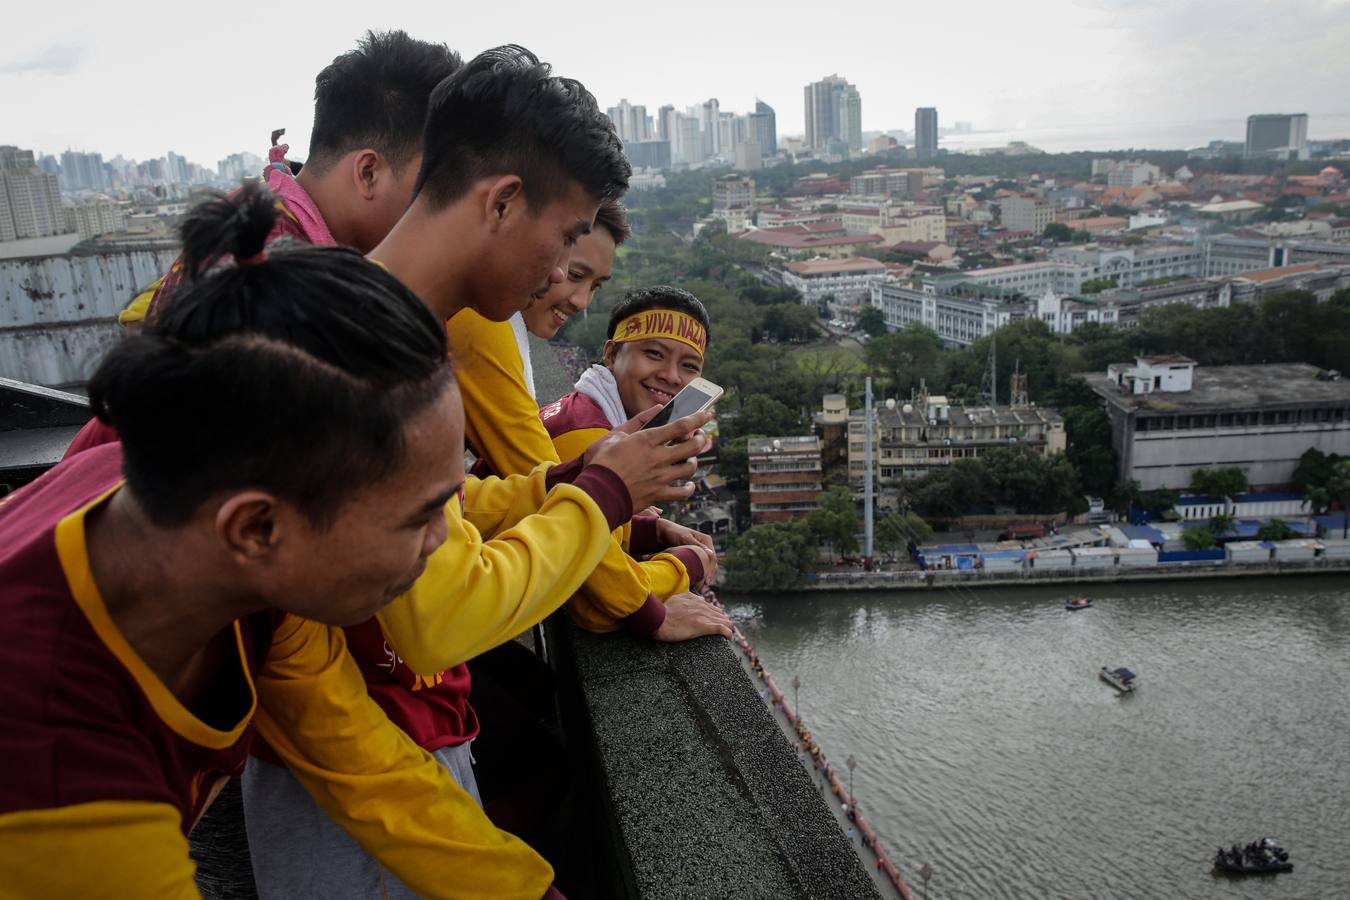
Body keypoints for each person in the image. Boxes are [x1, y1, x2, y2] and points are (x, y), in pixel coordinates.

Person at [239, 47, 717, 899]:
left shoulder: (352, 313)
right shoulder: (379, 359)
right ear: (501, 201)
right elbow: (441, 618)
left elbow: (441, 514)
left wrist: (568, 482)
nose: (561, 280)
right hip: (352, 760)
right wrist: (604, 495)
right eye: (569, 241)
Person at [0, 187, 565, 898]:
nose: (441, 541)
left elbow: (364, 767)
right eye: (420, 517)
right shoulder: (63, 780)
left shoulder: (190, 530)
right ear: (258, 528)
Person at [446, 200, 727, 638]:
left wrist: (644, 526)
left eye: (594, 286)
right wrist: (680, 573)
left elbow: (519, 493)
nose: (578, 300)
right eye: (573, 273)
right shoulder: (484, 325)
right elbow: (590, 584)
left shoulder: (582, 406)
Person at [113, 30, 460, 332]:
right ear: (368, 173)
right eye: (433, 185)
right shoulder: (272, 263)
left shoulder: (274, 220)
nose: (445, 205)